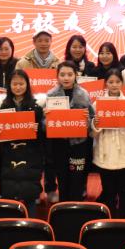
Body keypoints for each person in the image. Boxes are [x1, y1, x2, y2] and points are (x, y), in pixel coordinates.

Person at [0, 69, 46, 216]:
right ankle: (11, 225)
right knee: (10, 194)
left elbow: (43, 136)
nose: (18, 87)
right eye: (14, 84)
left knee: (30, 194)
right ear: (9, 85)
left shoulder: (36, 107)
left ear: (27, 85)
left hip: (31, 157)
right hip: (9, 157)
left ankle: (31, 225)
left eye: (21, 84)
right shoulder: (2, 107)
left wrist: (38, 129)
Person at [92, 68, 125, 218]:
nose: (114, 85)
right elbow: (92, 133)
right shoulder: (97, 104)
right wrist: (95, 125)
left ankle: (123, 218)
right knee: (108, 191)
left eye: (117, 82)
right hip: (105, 155)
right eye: (111, 82)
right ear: (105, 84)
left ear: (122, 83)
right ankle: (109, 217)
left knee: (123, 191)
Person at [46, 62, 95, 201]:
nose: (66, 78)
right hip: (59, 144)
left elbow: (93, 119)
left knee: (77, 178)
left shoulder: (83, 94)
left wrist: (87, 119)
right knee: (62, 177)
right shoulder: (51, 94)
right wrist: (46, 117)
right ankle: (63, 207)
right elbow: (44, 124)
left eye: (69, 74)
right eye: (62, 74)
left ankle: (76, 206)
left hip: (79, 144)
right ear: (57, 76)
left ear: (76, 75)